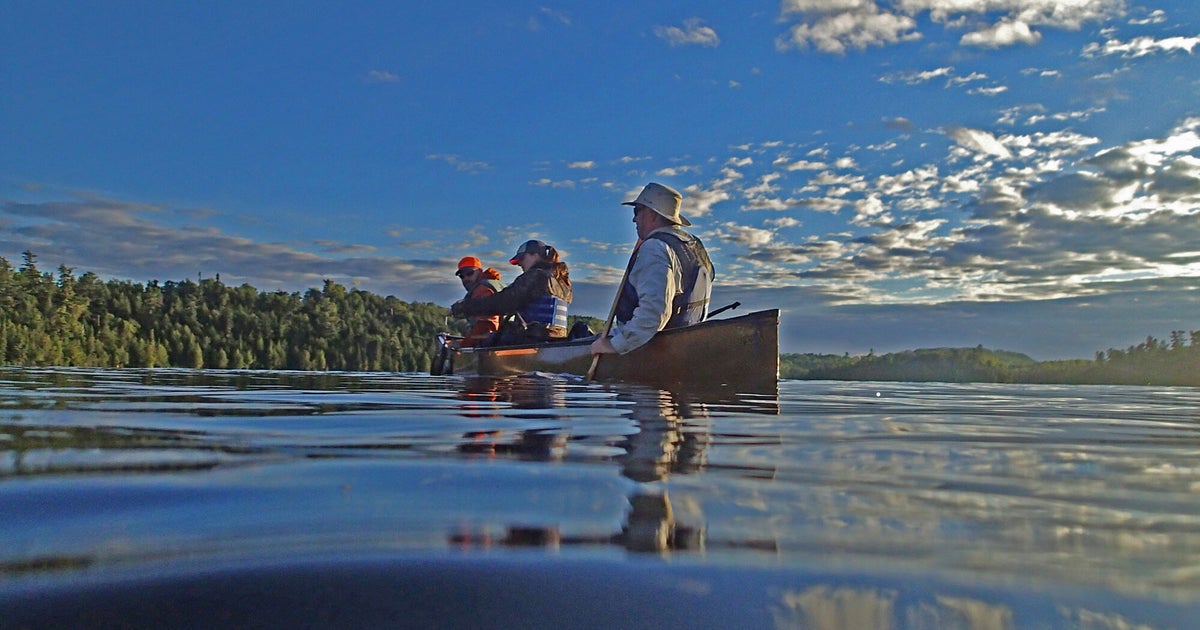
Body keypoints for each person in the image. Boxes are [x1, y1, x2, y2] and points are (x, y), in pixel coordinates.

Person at [590, 182, 714, 356]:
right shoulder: (695, 247)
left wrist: (613, 346)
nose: (634, 219)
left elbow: (653, 314)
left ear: (651, 213)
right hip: (685, 344)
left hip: (651, 349)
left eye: (637, 211)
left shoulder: (655, 247)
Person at [451, 239, 572, 344]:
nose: (519, 263)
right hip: (556, 339)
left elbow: (503, 302)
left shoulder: (536, 276)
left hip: (533, 341)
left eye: (522, 258)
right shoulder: (563, 282)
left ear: (535, 255)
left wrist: (464, 307)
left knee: (487, 341)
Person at [452, 256, 505, 347]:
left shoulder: (482, 289)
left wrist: (463, 345)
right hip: (506, 342)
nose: (465, 279)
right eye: (462, 276)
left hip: (495, 348)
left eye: (470, 273)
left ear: (480, 272)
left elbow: (486, 326)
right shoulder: (497, 284)